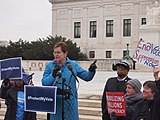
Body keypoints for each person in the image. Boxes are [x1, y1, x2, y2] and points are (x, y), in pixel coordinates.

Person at [41, 41, 97, 120]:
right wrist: (53, 75)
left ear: (65, 53)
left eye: (58, 52)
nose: (56, 55)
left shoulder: (73, 65)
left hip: (70, 103)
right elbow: (44, 83)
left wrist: (91, 70)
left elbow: (86, 77)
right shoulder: (50, 65)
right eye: (54, 52)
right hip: (56, 104)